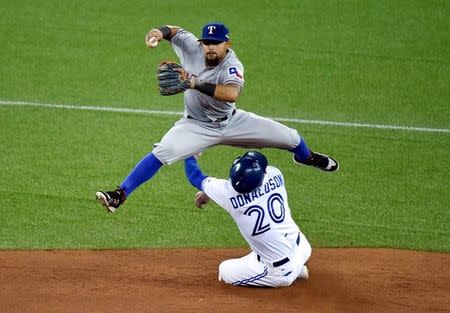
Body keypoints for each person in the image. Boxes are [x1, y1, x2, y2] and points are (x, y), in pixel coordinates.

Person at [96, 22, 338, 213]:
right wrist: (158, 33)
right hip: (194, 125)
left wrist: (193, 82)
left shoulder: (232, 64)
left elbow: (231, 94)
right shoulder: (193, 47)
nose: (210, 47)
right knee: (162, 152)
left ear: (227, 44)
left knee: (291, 137)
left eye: (216, 43)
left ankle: (306, 158)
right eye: (207, 42)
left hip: (233, 122)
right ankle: (120, 194)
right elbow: (175, 31)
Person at [184, 151, 312, 287]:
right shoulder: (275, 174)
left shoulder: (227, 193)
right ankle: (297, 266)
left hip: (279, 271)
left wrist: (189, 156)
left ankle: (293, 272)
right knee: (260, 251)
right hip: (303, 247)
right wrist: (210, 193)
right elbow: (255, 176)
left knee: (225, 270)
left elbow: (194, 176)